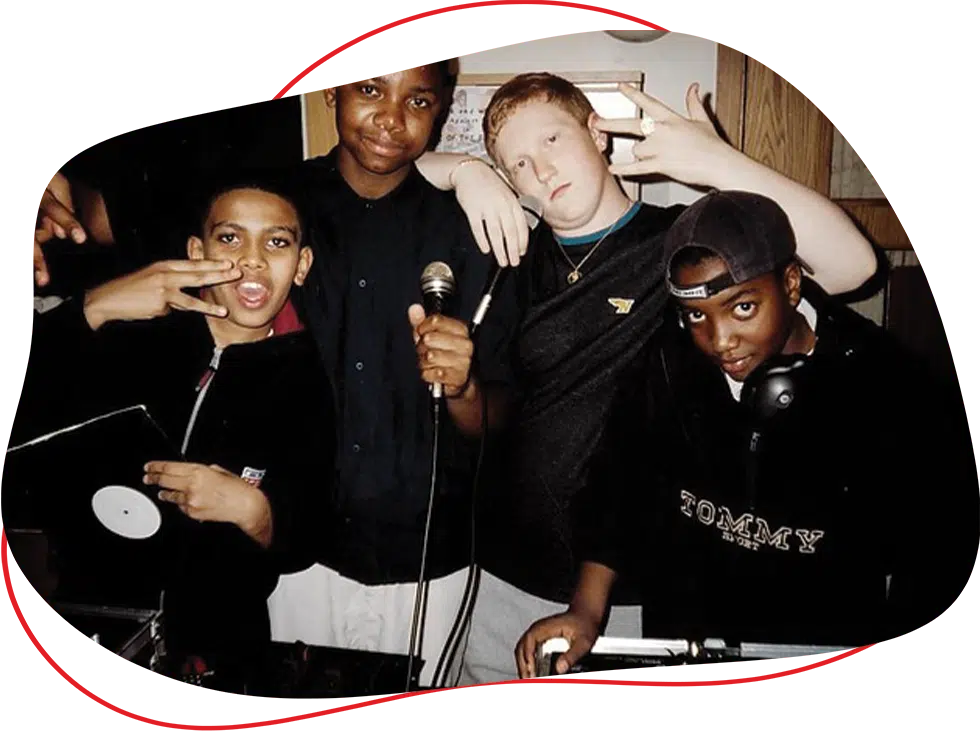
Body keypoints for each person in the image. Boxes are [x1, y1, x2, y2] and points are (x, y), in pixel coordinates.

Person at [30, 60, 525, 689]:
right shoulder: (273, 208)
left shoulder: (475, 229)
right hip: (290, 562)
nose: (389, 118)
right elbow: (96, 219)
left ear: (442, 108)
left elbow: (503, 417)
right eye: (369, 89)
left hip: (431, 557)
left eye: (418, 101)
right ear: (332, 88)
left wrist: (463, 385)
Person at [459, 72, 879, 686]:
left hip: (628, 589)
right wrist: (461, 171)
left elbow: (853, 266)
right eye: (519, 164)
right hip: (501, 575)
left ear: (597, 134)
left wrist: (718, 163)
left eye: (552, 140)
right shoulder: (510, 257)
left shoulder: (680, 243)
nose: (543, 171)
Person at [515, 190, 978, 677]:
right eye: (697, 315)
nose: (719, 342)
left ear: (792, 284)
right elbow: (619, 486)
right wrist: (586, 611)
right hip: (684, 650)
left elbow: (935, 559)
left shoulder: (889, 387)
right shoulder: (670, 361)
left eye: (742, 308)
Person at [9, 173, 335, 690]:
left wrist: (257, 511)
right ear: (194, 250)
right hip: (95, 622)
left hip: (222, 651)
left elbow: (313, 527)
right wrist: (93, 308)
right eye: (230, 238)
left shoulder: (308, 376)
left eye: (277, 242)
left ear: (302, 266)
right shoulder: (134, 336)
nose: (252, 259)